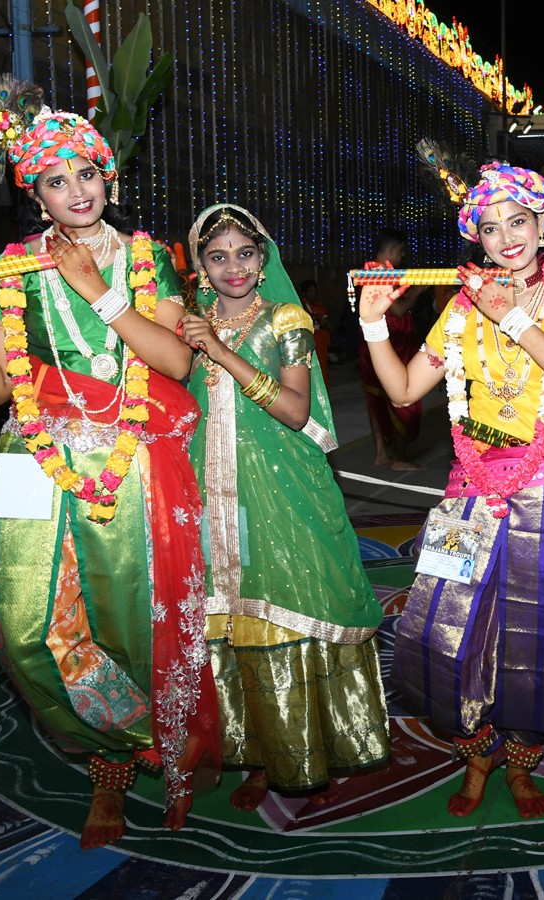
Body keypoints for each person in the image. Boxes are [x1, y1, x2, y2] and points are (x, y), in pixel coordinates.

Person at [0, 75, 218, 848]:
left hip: (133, 460)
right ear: (37, 196)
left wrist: (97, 291)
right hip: (35, 455)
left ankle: (130, 763)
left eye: (87, 173)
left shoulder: (143, 259)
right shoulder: (13, 268)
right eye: (56, 181)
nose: (76, 191)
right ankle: (105, 741)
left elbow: (175, 362)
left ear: (109, 178)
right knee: (25, 622)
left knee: (129, 618)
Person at [359, 156, 544, 820]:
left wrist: (513, 319)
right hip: (469, 491)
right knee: (444, 627)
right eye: (489, 228)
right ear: (474, 239)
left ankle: (520, 760)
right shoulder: (459, 311)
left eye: (518, 220)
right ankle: (476, 750)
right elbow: (401, 391)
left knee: (541, 640)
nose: (506, 237)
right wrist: (373, 324)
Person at [176, 204, 391, 811]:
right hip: (208, 486)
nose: (233, 267)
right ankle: (256, 753)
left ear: (263, 258)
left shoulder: (285, 318)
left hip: (280, 486)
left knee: (287, 607)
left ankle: (309, 752)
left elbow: (296, 411)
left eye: (246, 254)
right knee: (225, 618)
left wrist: (220, 351)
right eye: (217, 257)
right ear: (199, 267)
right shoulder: (186, 324)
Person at [358, 228, 425, 470]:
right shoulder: (382, 272)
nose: (402, 257)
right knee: (402, 396)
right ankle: (399, 456)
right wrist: (416, 291)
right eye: (402, 251)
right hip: (391, 340)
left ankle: (380, 453)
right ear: (393, 249)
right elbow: (396, 310)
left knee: (375, 399)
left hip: (370, 341)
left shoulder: (368, 269)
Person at [297, 278, 331, 387]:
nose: (314, 293)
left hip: (320, 341)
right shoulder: (300, 306)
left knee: (322, 368)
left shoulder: (319, 306)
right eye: (311, 291)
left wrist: (322, 320)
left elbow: (327, 324)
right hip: (308, 341)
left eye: (315, 291)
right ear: (304, 293)